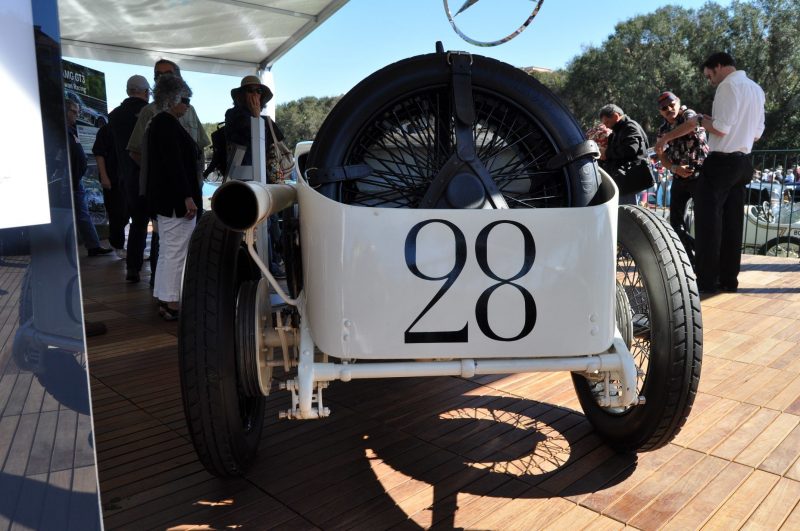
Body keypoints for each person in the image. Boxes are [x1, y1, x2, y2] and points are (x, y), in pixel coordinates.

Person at [127, 59, 210, 285]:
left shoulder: (188, 111)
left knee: (176, 247)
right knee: (168, 247)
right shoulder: (150, 113)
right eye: (158, 75)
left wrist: (196, 182)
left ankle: (168, 293)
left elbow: (200, 146)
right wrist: (161, 179)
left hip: (189, 190)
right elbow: (136, 151)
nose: (162, 77)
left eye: (168, 73)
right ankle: (165, 292)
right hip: (171, 196)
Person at [693, 52, 765, 295]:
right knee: (733, 224)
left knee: (708, 224)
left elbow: (721, 128)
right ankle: (728, 280)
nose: (710, 81)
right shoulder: (756, 89)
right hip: (743, 162)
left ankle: (706, 281)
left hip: (721, 162)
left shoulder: (727, 87)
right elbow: (757, 134)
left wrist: (700, 119)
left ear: (720, 66)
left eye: (710, 75)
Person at [145, 75, 200, 320]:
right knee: (177, 251)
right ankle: (172, 303)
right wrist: (186, 197)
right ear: (172, 99)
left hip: (167, 200)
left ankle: (165, 299)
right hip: (176, 201)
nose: (188, 105)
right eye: (185, 100)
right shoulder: (166, 125)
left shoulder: (159, 124)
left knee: (169, 251)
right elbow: (174, 164)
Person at [224, 75, 287, 278]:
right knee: (255, 224)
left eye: (259, 91)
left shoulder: (265, 119)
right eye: (250, 90)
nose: (255, 95)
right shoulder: (233, 115)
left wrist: (258, 117)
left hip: (267, 179)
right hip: (245, 180)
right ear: (241, 95)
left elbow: (277, 138)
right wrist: (254, 116)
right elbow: (240, 136)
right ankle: (258, 265)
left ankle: (275, 260)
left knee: (273, 220)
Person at [91, 75, 151, 265]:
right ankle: (127, 253)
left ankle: (127, 253)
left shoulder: (115, 116)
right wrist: (105, 177)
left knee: (124, 215)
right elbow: (100, 152)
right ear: (146, 92)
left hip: (120, 175)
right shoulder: (148, 112)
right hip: (134, 174)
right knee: (132, 217)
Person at [653, 91, 709, 268]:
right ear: (660, 111)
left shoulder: (688, 115)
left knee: (704, 221)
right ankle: (691, 260)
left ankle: (705, 259)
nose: (669, 109)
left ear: (678, 102)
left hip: (701, 176)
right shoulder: (662, 129)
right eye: (664, 108)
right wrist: (674, 168)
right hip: (679, 177)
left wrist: (666, 139)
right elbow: (661, 156)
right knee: (675, 223)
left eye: (671, 104)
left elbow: (692, 126)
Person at [66, 100, 112, 257]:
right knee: (80, 214)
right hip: (68, 181)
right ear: (65, 111)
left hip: (75, 179)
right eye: (74, 111)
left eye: (78, 111)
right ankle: (91, 245)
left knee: (82, 213)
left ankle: (93, 245)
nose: (77, 114)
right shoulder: (62, 131)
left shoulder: (71, 130)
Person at [598, 104, 650, 205]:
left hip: (631, 180)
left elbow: (630, 149)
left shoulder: (630, 127)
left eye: (607, 122)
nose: (607, 126)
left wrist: (607, 153)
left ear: (616, 116)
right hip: (624, 180)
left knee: (628, 215)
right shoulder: (617, 131)